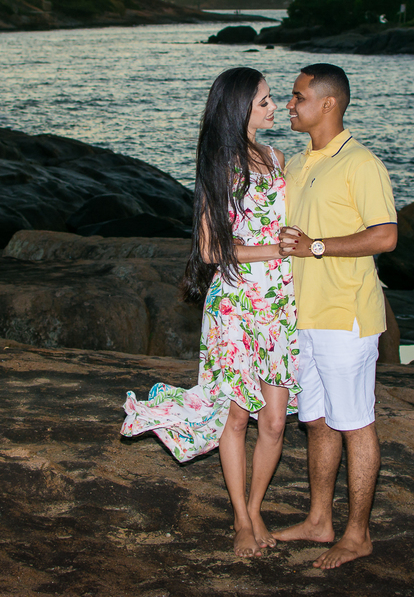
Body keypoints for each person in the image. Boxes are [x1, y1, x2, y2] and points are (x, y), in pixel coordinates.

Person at [121, 67, 299, 558]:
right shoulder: (220, 166)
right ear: (240, 107)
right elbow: (208, 247)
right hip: (237, 305)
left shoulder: (278, 158)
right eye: (264, 100)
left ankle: (256, 504)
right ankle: (241, 518)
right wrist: (272, 251)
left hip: (280, 304)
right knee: (236, 419)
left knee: (276, 422)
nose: (273, 106)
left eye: (270, 99)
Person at [274, 63, 398, 570]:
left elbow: (386, 235)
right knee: (318, 422)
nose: (290, 103)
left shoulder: (361, 164)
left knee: (355, 423)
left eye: (298, 96)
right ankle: (319, 520)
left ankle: (358, 534)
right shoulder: (299, 163)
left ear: (328, 104)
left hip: (345, 316)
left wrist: (316, 246)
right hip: (303, 316)